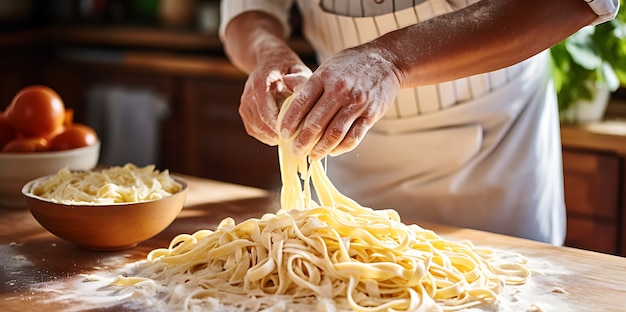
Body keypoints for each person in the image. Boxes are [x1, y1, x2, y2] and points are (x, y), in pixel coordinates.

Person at [218, 0, 620, 246]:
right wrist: (266, 52)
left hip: (494, 156)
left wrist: (389, 62)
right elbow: (247, 10)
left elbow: (575, 2)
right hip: (349, 146)